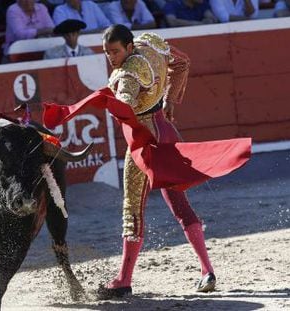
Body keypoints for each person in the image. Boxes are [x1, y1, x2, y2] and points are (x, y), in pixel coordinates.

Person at [97, 24, 216, 299]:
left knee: (133, 209)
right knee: (179, 204)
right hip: (166, 132)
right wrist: (170, 99)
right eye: (106, 53)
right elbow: (182, 62)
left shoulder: (126, 74)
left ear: (128, 47)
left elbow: (124, 102)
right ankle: (206, 270)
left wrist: (111, 101)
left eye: (115, 51)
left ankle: (124, 279)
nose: (111, 58)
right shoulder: (151, 43)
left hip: (143, 144)